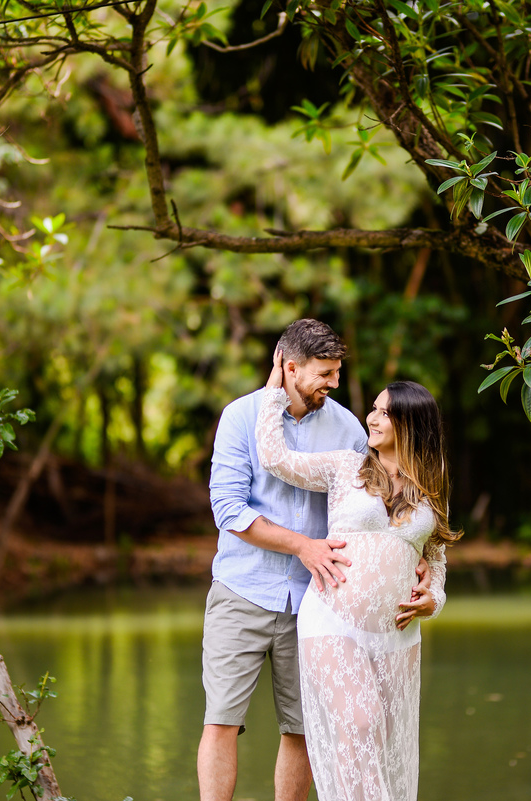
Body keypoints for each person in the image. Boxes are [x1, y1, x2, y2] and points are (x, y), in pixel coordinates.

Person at [200, 319, 434, 801]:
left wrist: (416, 551)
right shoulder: (241, 418)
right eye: (324, 373)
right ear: (289, 367)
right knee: (222, 719)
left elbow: (380, 500)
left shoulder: (348, 427)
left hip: (320, 602)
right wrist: (302, 546)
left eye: (336, 373)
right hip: (243, 589)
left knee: (305, 729)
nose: (334, 383)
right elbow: (228, 510)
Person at [256, 349, 461, 801]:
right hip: (333, 619)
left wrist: (435, 599)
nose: (372, 418)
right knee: (360, 719)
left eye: (384, 412)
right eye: (373, 408)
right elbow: (274, 457)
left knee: (383, 737)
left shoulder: (432, 482)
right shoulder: (345, 467)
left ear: (411, 424)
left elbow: (437, 558)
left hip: (397, 634)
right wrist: (276, 379)